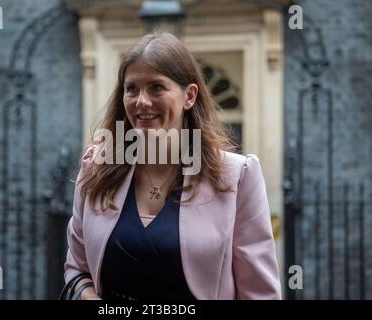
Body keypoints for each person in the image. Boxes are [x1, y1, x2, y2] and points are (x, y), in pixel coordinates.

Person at [63, 32, 282, 300]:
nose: (142, 101)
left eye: (156, 87)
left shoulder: (238, 177)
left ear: (189, 96)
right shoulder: (96, 169)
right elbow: (77, 267)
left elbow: (259, 293)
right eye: (132, 88)